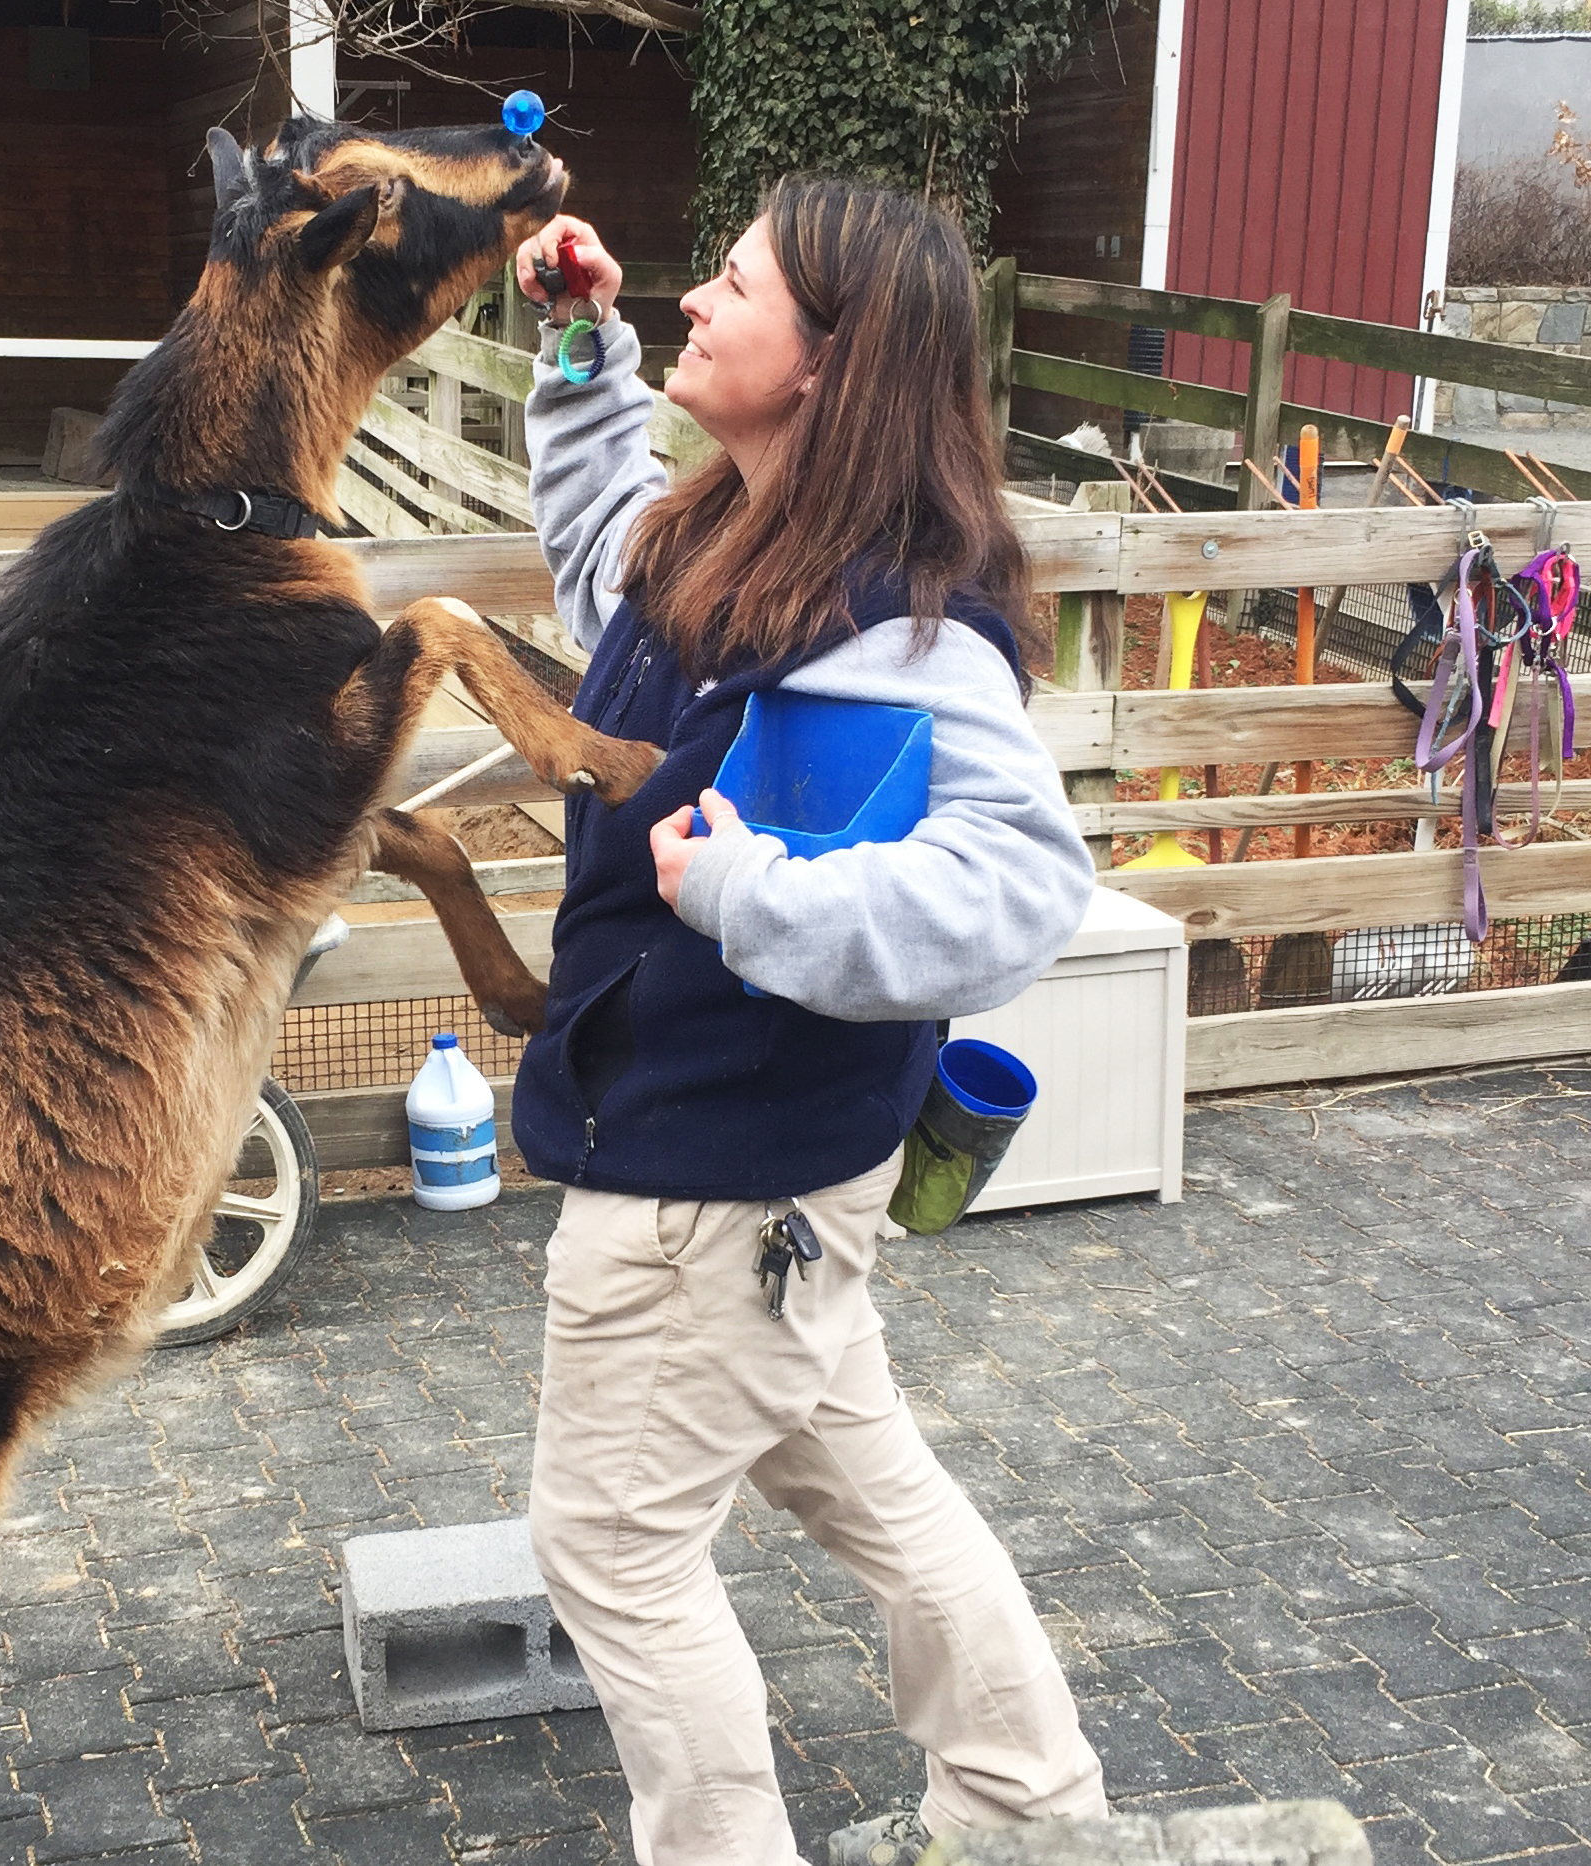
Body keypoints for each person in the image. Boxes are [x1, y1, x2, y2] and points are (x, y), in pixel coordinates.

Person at [509, 175, 1109, 1866]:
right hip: (772, 1171)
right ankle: (1034, 1807)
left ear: (830, 368)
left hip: (713, 1180)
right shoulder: (729, 538)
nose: (696, 299)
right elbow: (598, 585)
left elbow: (1016, 889)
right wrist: (579, 346)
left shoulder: (894, 628)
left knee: (614, 1552)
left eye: (736, 284)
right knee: (871, 1482)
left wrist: (751, 898)